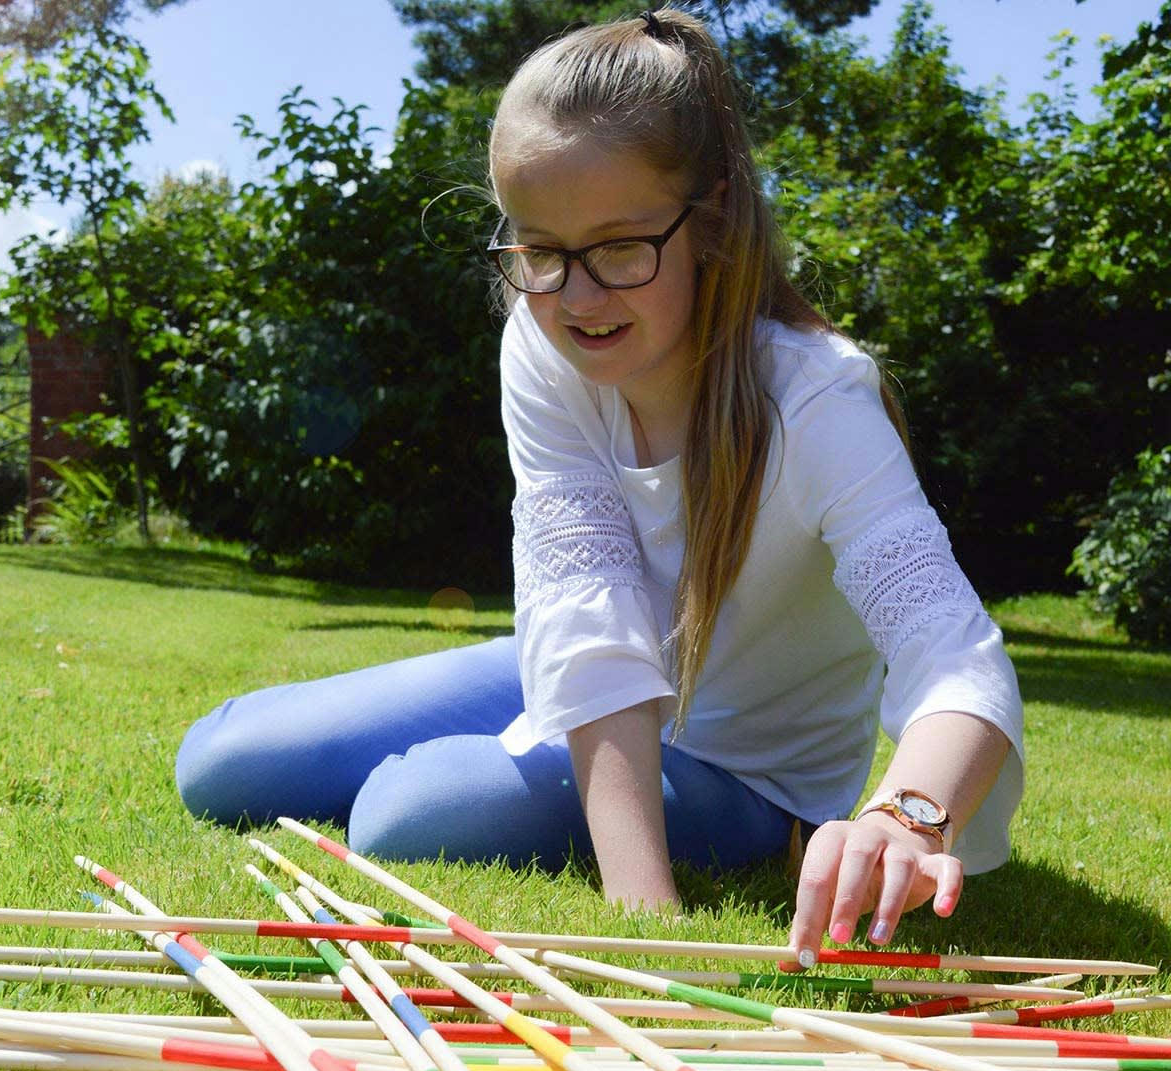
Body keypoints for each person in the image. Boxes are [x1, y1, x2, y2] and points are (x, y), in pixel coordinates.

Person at [176, 7, 1023, 965]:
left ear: (711, 218)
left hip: (745, 769)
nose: (576, 298)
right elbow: (584, 607)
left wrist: (905, 820)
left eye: (621, 247)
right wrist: (645, 900)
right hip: (589, 663)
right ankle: (521, 740)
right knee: (220, 765)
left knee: (405, 813)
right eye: (539, 251)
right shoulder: (539, 348)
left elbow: (956, 659)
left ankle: (751, 826)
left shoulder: (818, 398)